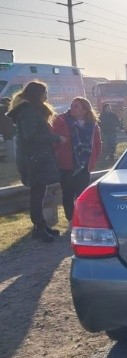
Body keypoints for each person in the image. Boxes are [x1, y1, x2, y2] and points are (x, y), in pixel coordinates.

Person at [6, 81, 66, 242]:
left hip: (37, 158)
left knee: (39, 193)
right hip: (33, 159)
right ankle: (39, 228)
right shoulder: (28, 111)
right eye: (44, 93)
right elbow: (30, 136)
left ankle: (41, 225)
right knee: (37, 194)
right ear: (37, 94)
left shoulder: (31, 110)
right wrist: (55, 138)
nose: (46, 96)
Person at [53, 97, 101, 226]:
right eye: (72, 105)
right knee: (67, 193)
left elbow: (97, 145)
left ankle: (82, 219)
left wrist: (92, 161)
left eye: (76, 106)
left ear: (85, 110)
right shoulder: (62, 120)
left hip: (84, 166)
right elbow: (54, 139)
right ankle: (70, 219)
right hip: (66, 165)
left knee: (82, 194)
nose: (72, 108)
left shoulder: (92, 125)